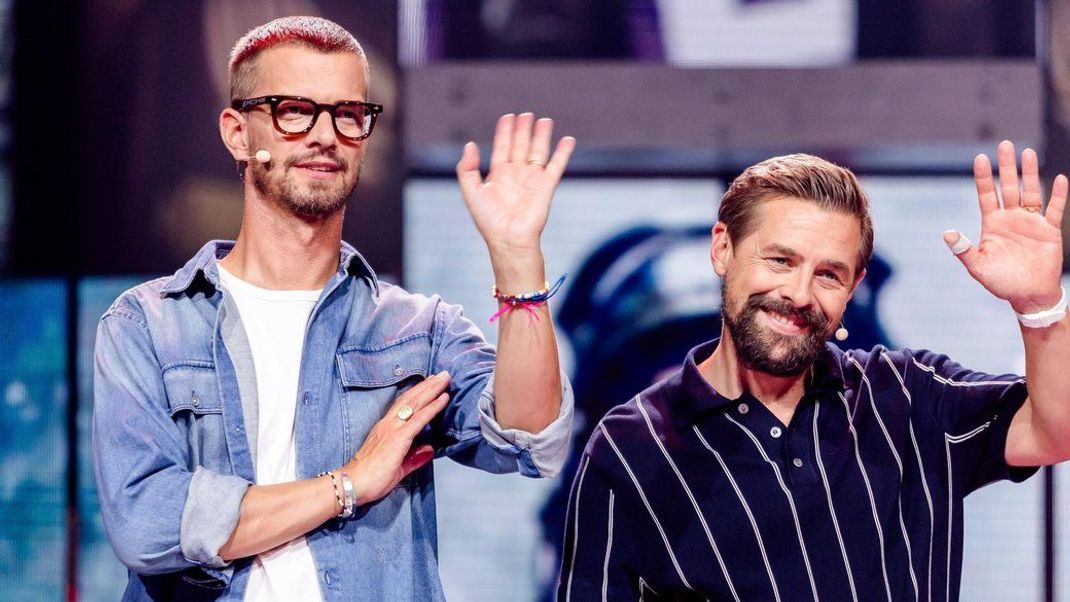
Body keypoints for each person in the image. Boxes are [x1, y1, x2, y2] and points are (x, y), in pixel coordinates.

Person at [92, 15, 576, 601]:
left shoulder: (418, 330)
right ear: (238, 132)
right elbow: (148, 523)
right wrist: (349, 484)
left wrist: (518, 257)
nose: (326, 135)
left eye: (349, 115)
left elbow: (530, 437)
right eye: (296, 110)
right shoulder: (148, 325)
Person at [557, 144, 1070, 601]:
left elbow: (1055, 432)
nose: (800, 295)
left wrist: (1040, 306)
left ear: (854, 286)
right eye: (780, 260)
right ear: (723, 249)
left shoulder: (908, 397)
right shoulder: (630, 446)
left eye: (828, 274)